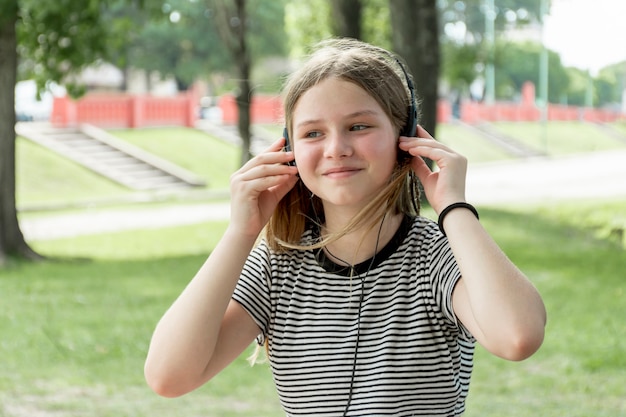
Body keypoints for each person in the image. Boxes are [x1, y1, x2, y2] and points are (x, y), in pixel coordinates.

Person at [144, 38, 546, 416]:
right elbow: (168, 375)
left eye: (358, 126)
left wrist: (453, 207)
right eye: (313, 133)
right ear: (289, 151)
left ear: (404, 137)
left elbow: (517, 336)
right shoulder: (279, 265)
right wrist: (241, 232)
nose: (336, 148)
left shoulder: (435, 256)